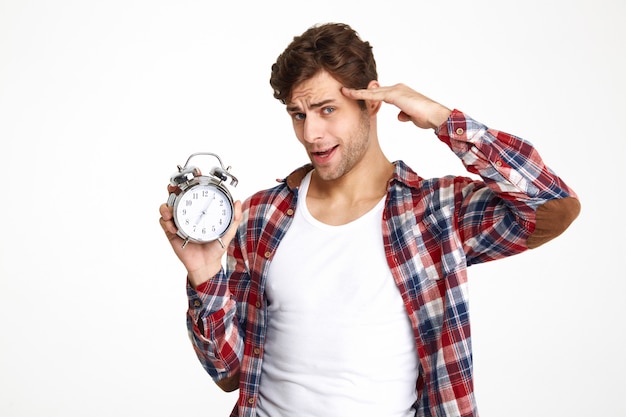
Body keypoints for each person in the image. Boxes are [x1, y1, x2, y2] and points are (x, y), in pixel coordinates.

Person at [159, 22, 580, 417]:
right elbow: (230, 374)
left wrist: (441, 118)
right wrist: (205, 274)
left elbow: (552, 204)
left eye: (327, 110)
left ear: (371, 101)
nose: (311, 135)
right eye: (298, 115)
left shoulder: (433, 212)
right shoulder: (259, 216)